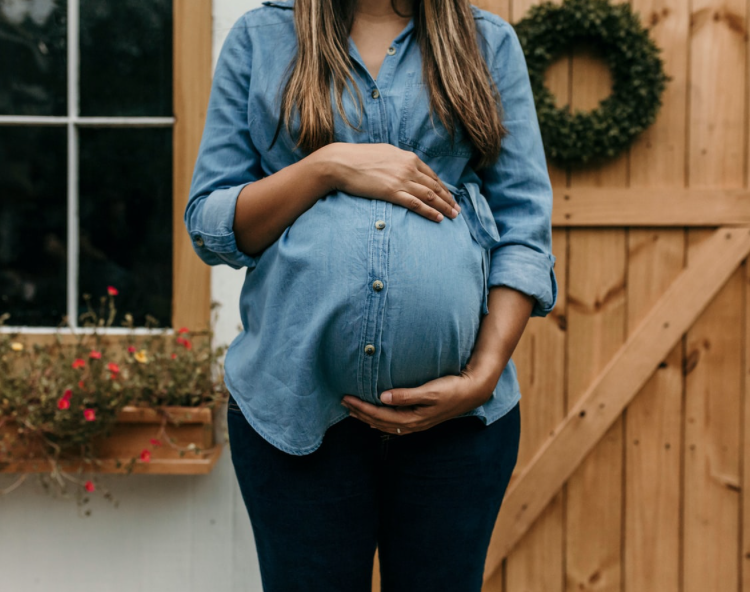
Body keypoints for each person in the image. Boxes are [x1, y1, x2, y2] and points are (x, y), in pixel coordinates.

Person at [184, 0, 558, 589]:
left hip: (457, 427)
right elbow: (212, 224)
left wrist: (483, 375)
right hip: (293, 415)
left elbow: (524, 227)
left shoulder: (487, 42)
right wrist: (327, 166)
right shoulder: (260, 39)